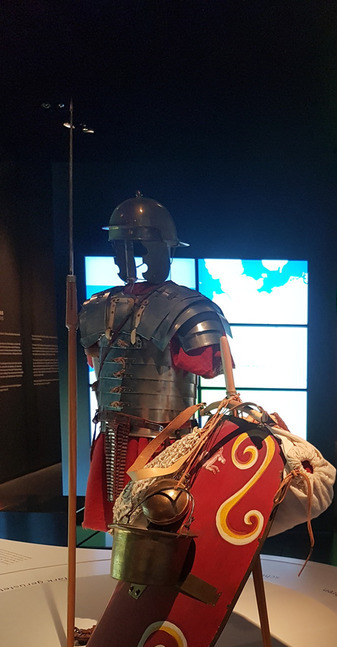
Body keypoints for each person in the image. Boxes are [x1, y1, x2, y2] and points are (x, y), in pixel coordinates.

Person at [79, 193, 230, 531]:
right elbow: (211, 365)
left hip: (157, 439)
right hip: (143, 438)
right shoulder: (189, 307)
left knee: (154, 522)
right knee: (153, 526)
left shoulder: (97, 308)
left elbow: (209, 365)